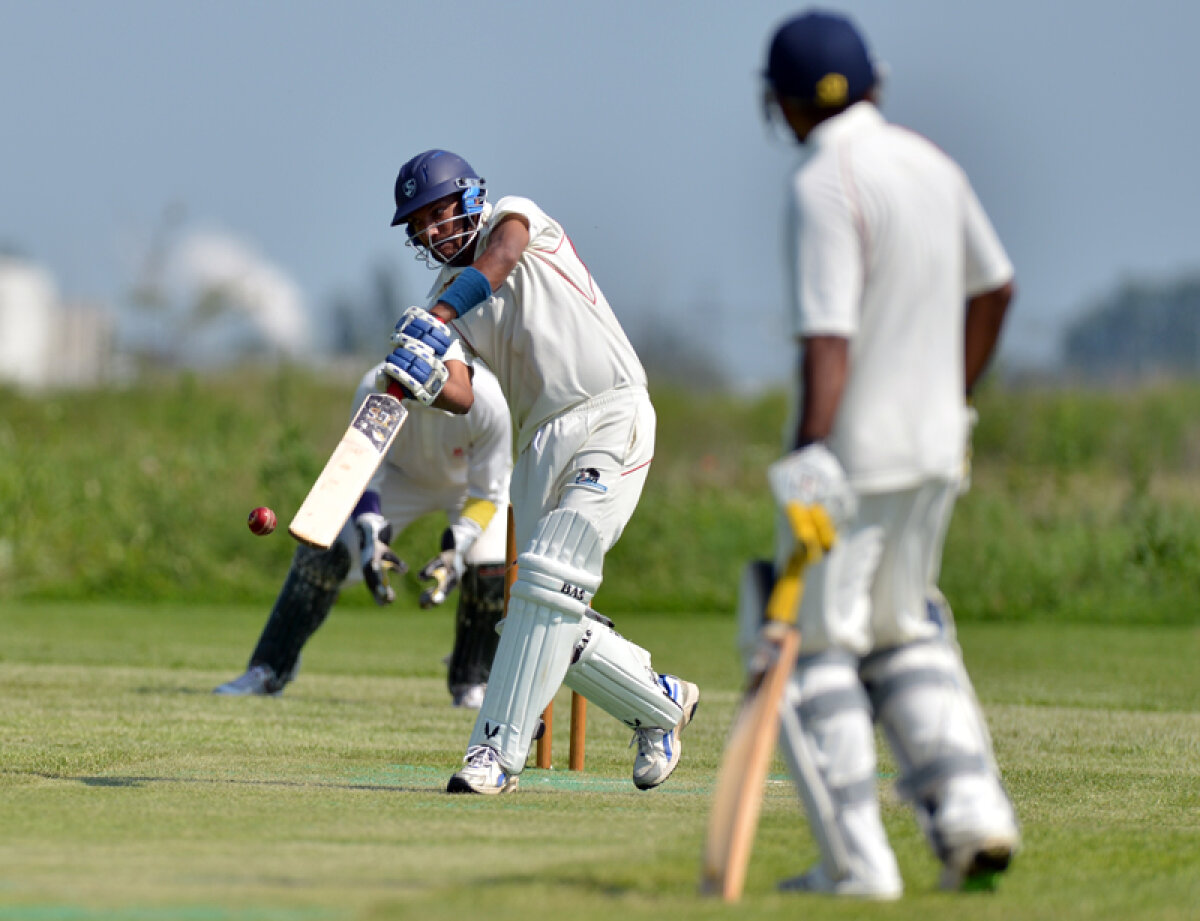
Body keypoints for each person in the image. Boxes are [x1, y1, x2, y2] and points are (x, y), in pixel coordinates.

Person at [747, 8, 1020, 898]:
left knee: (811, 644)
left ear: (786, 105)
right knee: (907, 630)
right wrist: (955, 393)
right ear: (874, 82)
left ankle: (857, 864)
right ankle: (975, 812)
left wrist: (809, 460)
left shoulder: (823, 179)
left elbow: (828, 340)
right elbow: (996, 285)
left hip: (855, 456)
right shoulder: (931, 163)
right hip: (939, 448)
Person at [377, 148, 700, 795]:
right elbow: (464, 393)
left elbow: (499, 262)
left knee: (549, 579)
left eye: (439, 213)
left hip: (610, 410)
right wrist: (428, 376)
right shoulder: (446, 295)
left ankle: (494, 753)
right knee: (539, 610)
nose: (433, 231)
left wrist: (436, 324)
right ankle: (660, 704)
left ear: (471, 198)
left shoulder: (517, 218)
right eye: (420, 224)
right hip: (538, 444)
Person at [214, 360, 512, 709]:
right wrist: (371, 534)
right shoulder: (380, 386)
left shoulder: (488, 401)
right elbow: (364, 471)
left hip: (469, 487)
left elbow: (487, 492)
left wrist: (456, 550)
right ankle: (269, 669)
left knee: (492, 565)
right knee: (324, 553)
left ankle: (473, 681)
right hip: (397, 480)